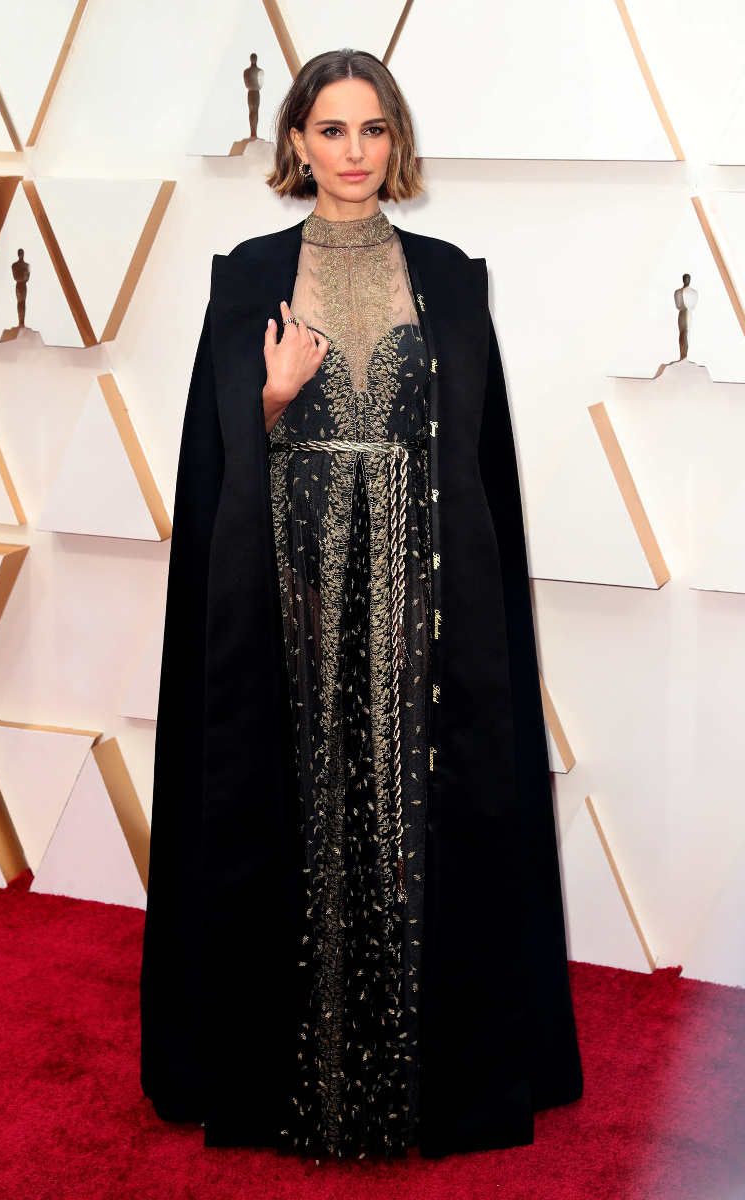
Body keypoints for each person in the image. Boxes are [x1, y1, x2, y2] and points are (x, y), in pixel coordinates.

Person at [140, 48, 583, 1162]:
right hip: (286, 584)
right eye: (330, 131)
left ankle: (434, 1066)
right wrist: (272, 400)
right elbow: (217, 459)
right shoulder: (246, 275)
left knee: (413, 808)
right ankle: (291, 1064)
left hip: (420, 586)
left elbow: (475, 457)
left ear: (395, 141)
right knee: (296, 801)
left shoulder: (446, 274)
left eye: (371, 130)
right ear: (294, 142)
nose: (352, 153)